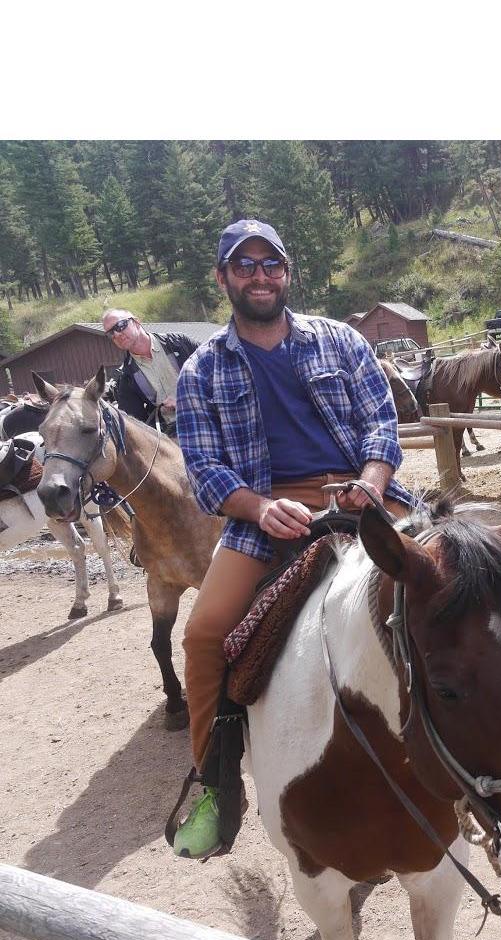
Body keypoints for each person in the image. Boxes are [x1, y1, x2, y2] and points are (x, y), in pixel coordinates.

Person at [171, 218, 416, 859]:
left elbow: (381, 421)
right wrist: (256, 507)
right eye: (244, 265)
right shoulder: (200, 371)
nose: (259, 276)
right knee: (202, 637)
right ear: (224, 277)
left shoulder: (339, 340)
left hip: (364, 496)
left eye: (270, 264)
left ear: (287, 274)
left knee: (466, 585)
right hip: (266, 510)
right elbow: (204, 469)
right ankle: (218, 790)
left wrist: (370, 479)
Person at [100, 309, 199, 433]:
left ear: (136, 322)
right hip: (174, 435)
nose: (117, 335)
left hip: (209, 413)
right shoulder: (126, 378)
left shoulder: (179, 342)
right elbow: (136, 425)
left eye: (120, 326)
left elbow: (214, 371)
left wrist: (184, 400)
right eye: (110, 334)